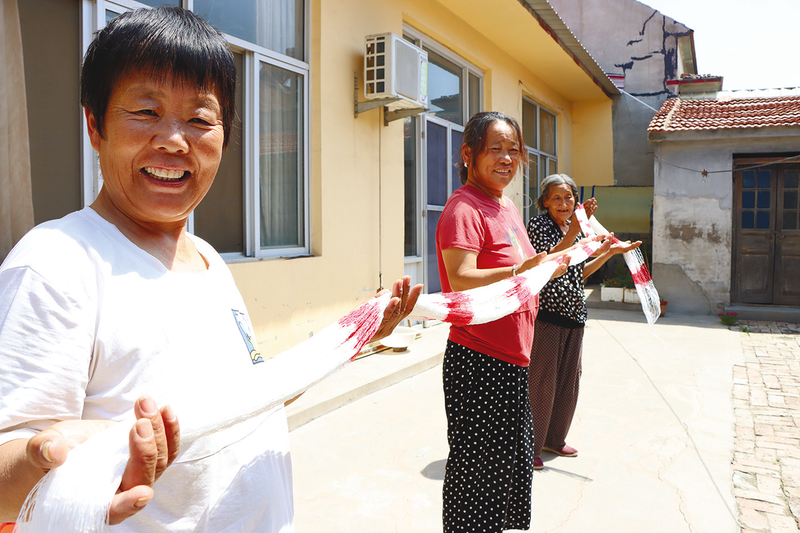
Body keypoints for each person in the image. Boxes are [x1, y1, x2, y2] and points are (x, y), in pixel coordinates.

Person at [0, 7, 420, 532]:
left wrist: (350, 340)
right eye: (146, 111)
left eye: (200, 120)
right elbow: (8, 474)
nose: (174, 140)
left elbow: (249, 396)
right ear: (95, 125)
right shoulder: (56, 262)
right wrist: (45, 458)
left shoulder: (206, 259)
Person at [435, 111, 602, 532]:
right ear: (468, 154)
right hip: (479, 359)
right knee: (478, 477)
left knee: (508, 471)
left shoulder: (506, 206)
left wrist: (584, 251)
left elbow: (535, 266)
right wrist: (516, 271)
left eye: (514, 150)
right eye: (495, 149)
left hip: (514, 358)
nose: (507, 158)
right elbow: (460, 277)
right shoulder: (464, 207)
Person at [526, 173, 640, 470]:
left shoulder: (575, 230)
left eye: (569, 197)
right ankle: (530, 446)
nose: (563, 203)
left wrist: (608, 252)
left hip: (575, 315)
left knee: (568, 381)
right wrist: (576, 229)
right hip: (548, 314)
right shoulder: (538, 225)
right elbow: (550, 261)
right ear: (545, 202)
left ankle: (554, 438)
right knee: (542, 381)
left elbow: (580, 273)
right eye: (556, 198)